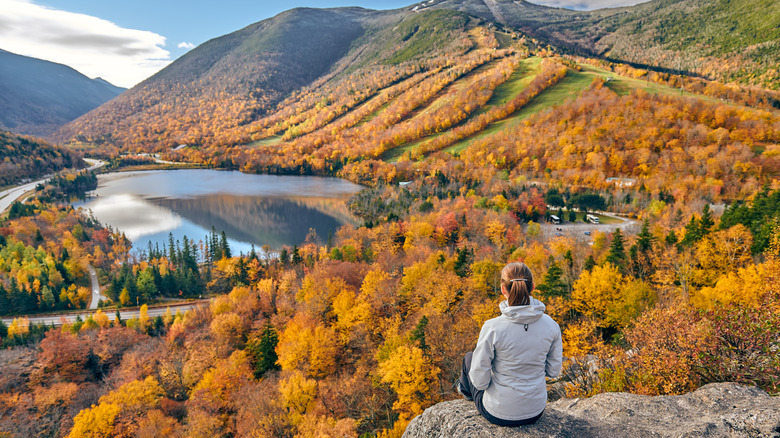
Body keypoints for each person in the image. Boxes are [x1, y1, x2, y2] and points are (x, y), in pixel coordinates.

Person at [458, 261, 562, 426]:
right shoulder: (551, 325)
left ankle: (466, 395)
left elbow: (480, 381)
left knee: (469, 358)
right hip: (536, 411)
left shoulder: (493, 327)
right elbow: (554, 371)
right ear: (532, 287)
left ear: (502, 289)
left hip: (498, 413)